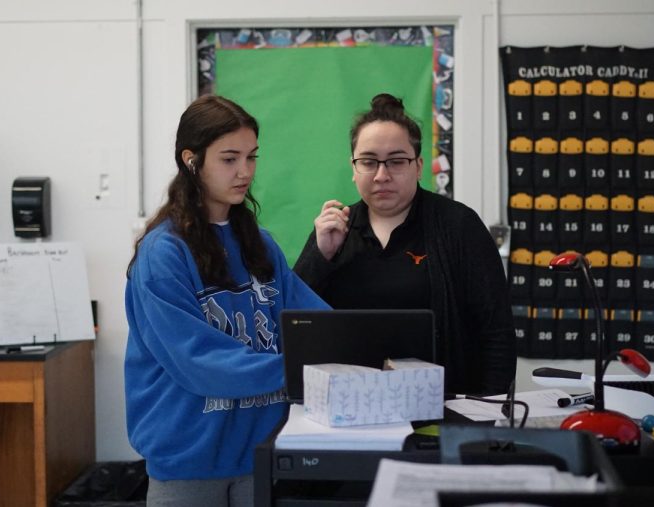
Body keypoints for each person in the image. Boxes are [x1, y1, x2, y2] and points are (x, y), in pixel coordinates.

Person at [124, 95, 328, 507]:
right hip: (188, 463)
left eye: (251, 157)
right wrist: (298, 370)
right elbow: (198, 360)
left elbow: (311, 322)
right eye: (229, 159)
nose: (245, 172)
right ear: (192, 160)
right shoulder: (164, 254)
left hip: (261, 453)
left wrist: (358, 349)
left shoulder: (259, 243)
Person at [293, 93, 516, 396]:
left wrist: (488, 411)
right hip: (349, 402)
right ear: (353, 167)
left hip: (445, 406)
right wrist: (321, 256)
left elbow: (497, 333)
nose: (382, 175)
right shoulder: (334, 229)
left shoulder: (458, 226)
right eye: (369, 162)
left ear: (419, 165)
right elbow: (294, 321)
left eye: (397, 161)